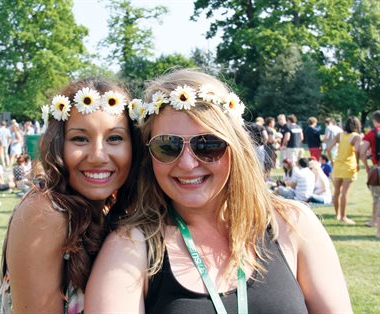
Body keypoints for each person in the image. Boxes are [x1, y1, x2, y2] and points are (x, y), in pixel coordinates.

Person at [85, 69, 352, 313]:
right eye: (167, 146)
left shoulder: (293, 224)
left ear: (236, 147)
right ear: (148, 156)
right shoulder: (129, 247)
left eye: (208, 145)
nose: (188, 164)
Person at [0, 77, 140, 313]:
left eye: (114, 138)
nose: (98, 156)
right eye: (80, 139)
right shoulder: (44, 212)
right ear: (58, 144)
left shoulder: (110, 207)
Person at [327, 116, 362, 224]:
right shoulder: (356, 136)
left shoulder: (339, 135)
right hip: (349, 166)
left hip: (338, 165)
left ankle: (337, 215)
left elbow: (328, 149)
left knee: (337, 191)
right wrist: (357, 163)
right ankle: (343, 217)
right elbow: (356, 150)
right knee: (345, 193)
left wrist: (332, 161)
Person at [360, 110, 380, 236]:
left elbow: (362, 152)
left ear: (374, 120)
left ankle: (374, 222)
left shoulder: (372, 133)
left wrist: (367, 166)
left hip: (377, 168)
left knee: (377, 198)